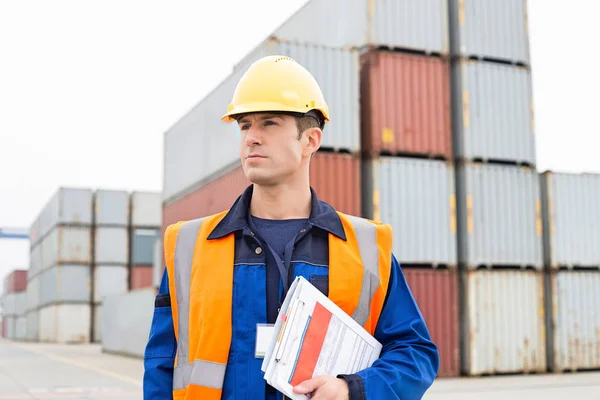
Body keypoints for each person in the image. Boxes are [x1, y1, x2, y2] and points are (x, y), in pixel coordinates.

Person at [143, 55, 439, 400]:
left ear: (310, 140)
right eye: (244, 125)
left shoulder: (366, 248)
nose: (251, 137)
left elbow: (415, 354)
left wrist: (351, 389)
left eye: (269, 123)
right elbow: (162, 363)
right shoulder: (189, 245)